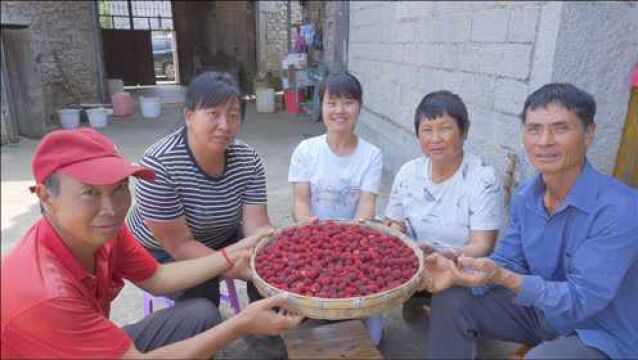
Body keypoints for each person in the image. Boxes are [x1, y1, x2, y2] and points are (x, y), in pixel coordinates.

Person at [1, 128, 302, 359]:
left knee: (200, 313)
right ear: (45, 197)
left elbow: (158, 278)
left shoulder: (99, 233)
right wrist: (241, 324)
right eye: (90, 193)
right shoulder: (45, 295)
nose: (111, 208)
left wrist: (230, 255)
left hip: (81, 344)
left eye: (120, 188)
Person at [420, 83, 638, 359]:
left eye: (560, 128)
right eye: (534, 129)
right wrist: (459, 270)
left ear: (589, 134)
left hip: (600, 333)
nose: (544, 141)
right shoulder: (527, 198)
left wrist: (506, 278)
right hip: (541, 314)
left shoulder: (621, 210)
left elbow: (580, 300)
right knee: (451, 299)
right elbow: (508, 262)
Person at [127, 71, 270, 306]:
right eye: (214, 114)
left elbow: (258, 226)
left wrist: (264, 262)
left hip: (221, 235)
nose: (225, 125)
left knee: (268, 261)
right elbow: (180, 246)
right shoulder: (159, 164)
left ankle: (268, 334)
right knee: (202, 294)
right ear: (189, 116)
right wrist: (235, 267)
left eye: (233, 116)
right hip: (164, 251)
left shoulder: (248, 159)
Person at [383, 90, 503, 321]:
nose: (435, 138)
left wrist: (446, 256)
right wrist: (396, 232)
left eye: (445, 128)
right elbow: (394, 222)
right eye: (427, 130)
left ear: (464, 131)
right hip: (416, 262)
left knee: (451, 313)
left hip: (460, 267)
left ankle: (461, 312)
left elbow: (483, 244)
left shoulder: (482, 179)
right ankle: (419, 297)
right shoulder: (409, 173)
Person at [288, 72, 384, 344]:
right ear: (322, 106)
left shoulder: (371, 154)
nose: (340, 110)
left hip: (357, 240)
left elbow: (366, 208)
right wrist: (317, 239)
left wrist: (347, 246)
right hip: (313, 237)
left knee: (368, 326)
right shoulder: (306, 150)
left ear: (360, 107)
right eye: (332, 102)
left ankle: (365, 319)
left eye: (348, 102)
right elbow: (300, 202)